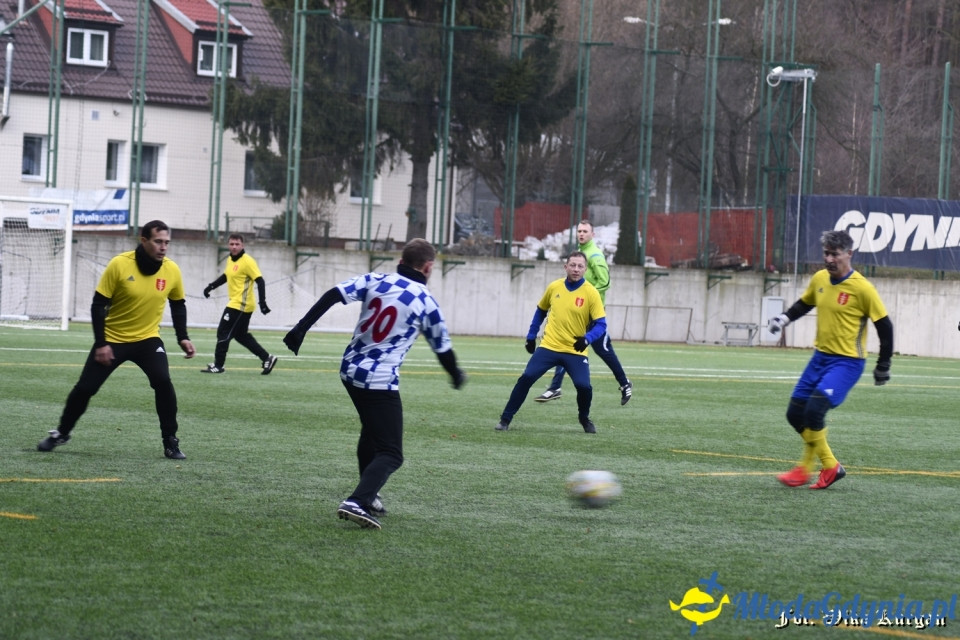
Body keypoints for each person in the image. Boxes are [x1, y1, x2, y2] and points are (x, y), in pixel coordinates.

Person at [283, 238, 466, 530]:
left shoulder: (376, 279)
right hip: (379, 380)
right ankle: (357, 500)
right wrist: (456, 375)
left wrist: (300, 328)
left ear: (402, 260)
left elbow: (333, 294)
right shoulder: (425, 300)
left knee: (371, 433)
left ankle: (369, 496)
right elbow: (442, 348)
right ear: (428, 266)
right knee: (391, 452)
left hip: (349, 370)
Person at [38, 220, 197, 459]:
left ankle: (171, 441)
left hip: (148, 340)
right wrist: (101, 343)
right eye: (158, 241)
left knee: (163, 382)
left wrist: (182, 337)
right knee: (85, 388)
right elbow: (98, 305)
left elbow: (178, 304)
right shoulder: (119, 264)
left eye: (167, 242)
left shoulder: (172, 270)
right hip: (113, 339)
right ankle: (61, 433)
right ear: (144, 241)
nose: (164, 247)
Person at [768, 229, 893, 490]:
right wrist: (784, 318)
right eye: (826, 253)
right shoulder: (820, 279)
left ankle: (807, 468)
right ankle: (830, 466)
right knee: (795, 414)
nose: (829, 259)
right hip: (819, 358)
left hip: (847, 362)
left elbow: (885, 327)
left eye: (835, 254)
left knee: (814, 410)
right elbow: (805, 304)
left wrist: (883, 365)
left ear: (849, 254)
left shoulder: (862, 288)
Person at [496, 251, 606, 433]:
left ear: (585, 269)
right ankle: (505, 419)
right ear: (566, 267)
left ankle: (584, 418)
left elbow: (601, 324)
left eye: (580, 266)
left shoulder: (591, 293)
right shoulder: (554, 287)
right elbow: (540, 310)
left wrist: (587, 339)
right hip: (549, 347)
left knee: (584, 386)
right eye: (573, 265)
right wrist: (531, 336)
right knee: (526, 378)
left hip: (575, 351)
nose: (576, 269)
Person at [535, 220, 632, 406]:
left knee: (604, 351)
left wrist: (587, 296)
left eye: (585, 231)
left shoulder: (595, 256)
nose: (581, 234)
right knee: (567, 345)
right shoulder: (581, 255)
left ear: (592, 234)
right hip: (580, 315)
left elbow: (605, 282)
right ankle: (555, 387)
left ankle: (625, 383)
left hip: (593, 316)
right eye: (579, 231)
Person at [201, 233, 277, 375]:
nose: (234, 247)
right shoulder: (230, 259)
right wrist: (211, 287)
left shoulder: (247, 261)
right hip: (237, 304)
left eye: (237, 244)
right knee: (241, 336)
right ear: (228, 245)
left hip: (241, 304)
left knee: (223, 332)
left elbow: (260, 281)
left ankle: (218, 365)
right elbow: (226, 276)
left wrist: (263, 303)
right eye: (231, 244)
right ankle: (267, 358)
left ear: (243, 245)